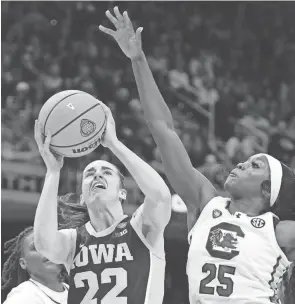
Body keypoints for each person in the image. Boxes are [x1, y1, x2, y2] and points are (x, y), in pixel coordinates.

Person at [99, 7, 295, 304]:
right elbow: (163, 128)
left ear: (268, 190)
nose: (242, 162)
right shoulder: (206, 203)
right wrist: (137, 59)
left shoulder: (280, 232)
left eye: (255, 165)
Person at [33, 102, 172, 304]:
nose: (97, 175)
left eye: (106, 172)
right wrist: (53, 172)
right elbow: (44, 244)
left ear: (122, 193)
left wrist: (114, 144)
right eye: (89, 174)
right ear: (82, 196)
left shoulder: (141, 229)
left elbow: (161, 197)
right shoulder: (74, 241)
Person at [1, 227, 69, 304]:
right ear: (23, 263)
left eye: (50, 245)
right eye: (36, 247)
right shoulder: (23, 297)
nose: (47, 250)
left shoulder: (74, 291)